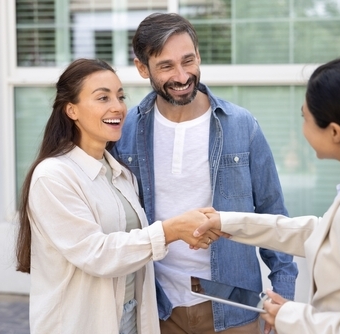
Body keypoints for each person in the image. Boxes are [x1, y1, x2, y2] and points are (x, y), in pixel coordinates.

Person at [193, 56, 340, 334]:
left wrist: (290, 316)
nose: (302, 127)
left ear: (335, 132)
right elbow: (323, 234)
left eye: (305, 117)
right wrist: (228, 223)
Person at [111, 12, 297, 333]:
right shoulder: (126, 131)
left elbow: (272, 213)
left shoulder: (241, 125)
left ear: (199, 56)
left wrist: (284, 295)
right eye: (166, 66)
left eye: (189, 60)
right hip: (158, 307)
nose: (182, 76)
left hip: (235, 308)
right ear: (143, 68)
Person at [14, 58, 221, 334]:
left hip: (131, 317)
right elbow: (96, 254)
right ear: (71, 110)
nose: (118, 107)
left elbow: (130, 249)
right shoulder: (53, 177)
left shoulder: (121, 174)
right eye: (103, 97)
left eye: (120, 96)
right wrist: (170, 231)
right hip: (81, 323)